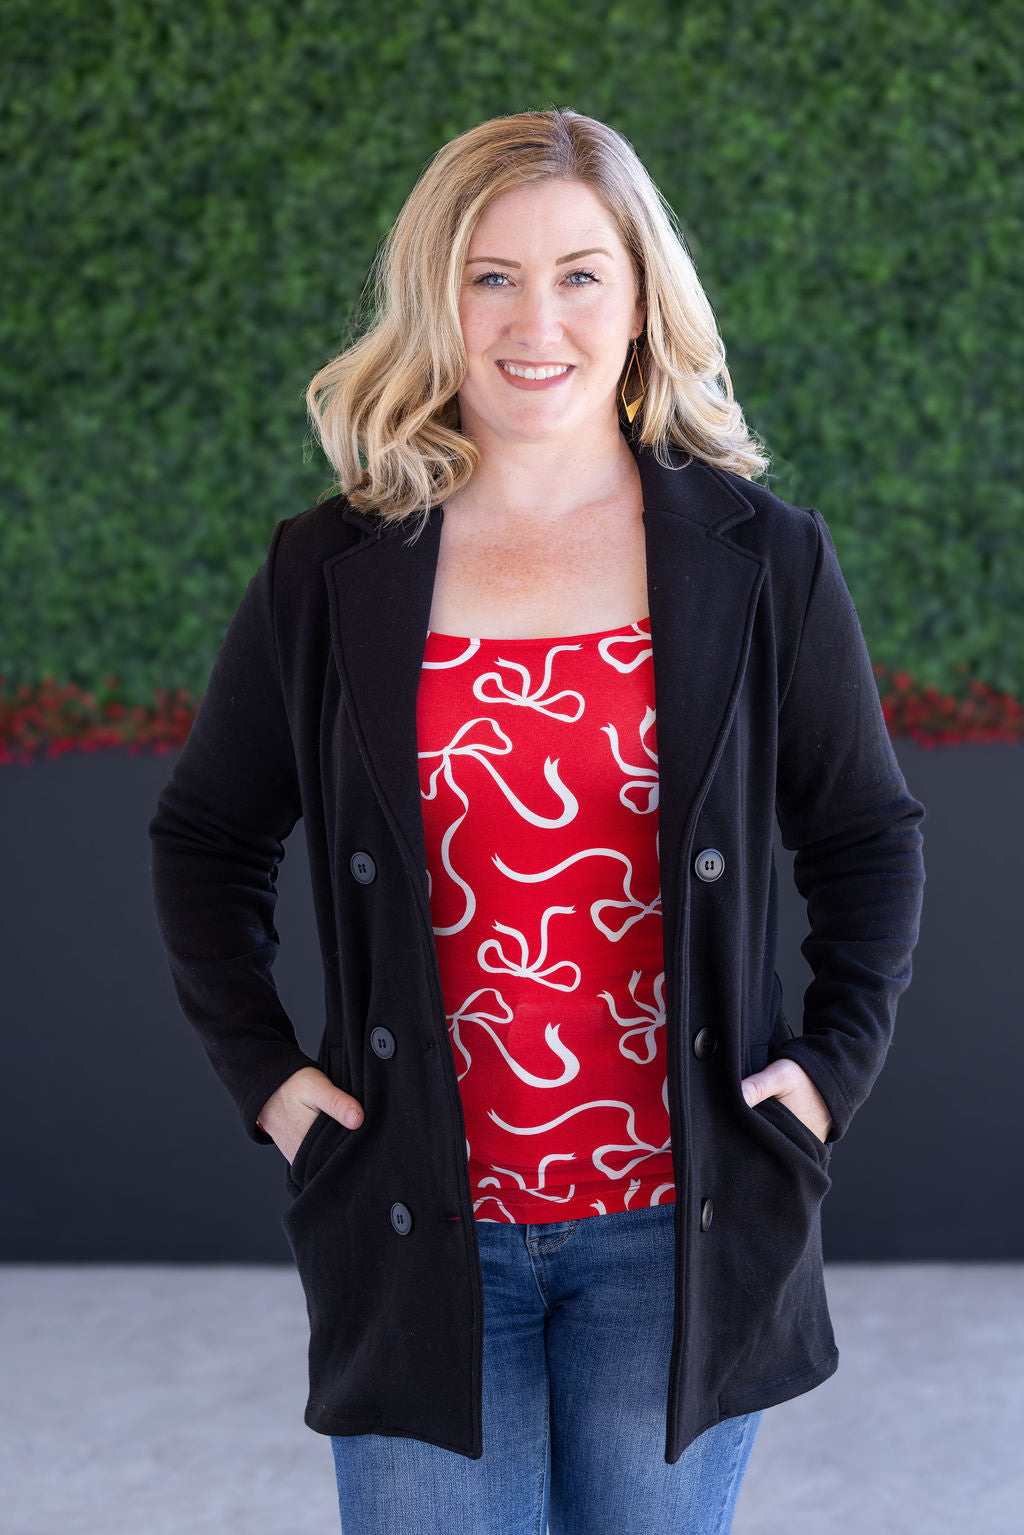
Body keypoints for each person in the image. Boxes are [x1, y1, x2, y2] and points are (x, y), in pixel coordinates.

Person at [149, 109, 925, 1534]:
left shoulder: (765, 561)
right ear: (434, 301)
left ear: (641, 302)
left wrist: (827, 1077)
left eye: (579, 273)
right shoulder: (332, 568)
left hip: (676, 1235)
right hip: (418, 1227)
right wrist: (265, 1074)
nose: (534, 320)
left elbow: (867, 837)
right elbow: (206, 836)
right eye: (489, 275)